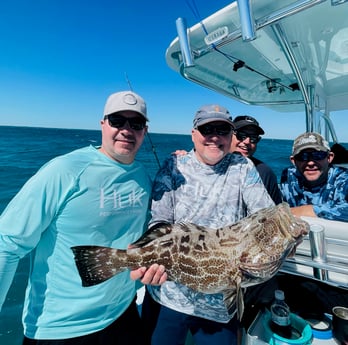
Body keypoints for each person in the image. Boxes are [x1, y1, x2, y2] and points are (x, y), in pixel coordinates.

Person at [0, 90, 167, 345]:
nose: (126, 129)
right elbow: (8, 243)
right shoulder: (65, 170)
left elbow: (146, 237)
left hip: (123, 313)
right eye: (117, 121)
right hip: (60, 327)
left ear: (145, 131)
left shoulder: (142, 177)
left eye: (136, 124)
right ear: (103, 124)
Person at [141, 104, 275, 345]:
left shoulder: (243, 167)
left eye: (222, 130)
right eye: (206, 129)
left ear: (231, 136)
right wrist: (151, 257)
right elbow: (159, 220)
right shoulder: (173, 165)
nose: (214, 137)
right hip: (168, 296)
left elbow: (265, 216)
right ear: (193, 134)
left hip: (220, 305)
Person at [280, 131, 348, 222]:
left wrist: (306, 210)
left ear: (329, 157)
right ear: (293, 161)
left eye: (318, 155)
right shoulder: (288, 175)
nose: (311, 163)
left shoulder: (344, 178)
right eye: (302, 156)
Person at [231, 115, 282, 204]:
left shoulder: (265, 173)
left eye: (253, 138)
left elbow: (275, 211)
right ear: (229, 135)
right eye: (241, 135)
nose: (247, 141)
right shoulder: (210, 166)